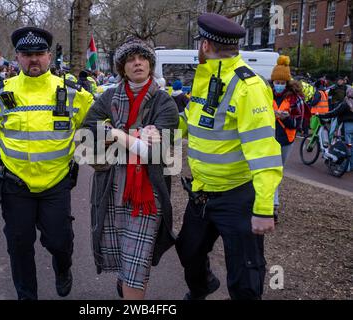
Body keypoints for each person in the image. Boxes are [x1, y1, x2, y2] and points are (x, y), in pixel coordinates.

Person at [0, 27, 93, 300]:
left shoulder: (72, 92)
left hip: (56, 183)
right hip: (15, 185)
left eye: (39, 53)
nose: (33, 59)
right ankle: (27, 296)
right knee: (19, 245)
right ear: (17, 57)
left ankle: (63, 268)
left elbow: (100, 122)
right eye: (27, 54)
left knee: (60, 242)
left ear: (49, 56)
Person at [175, 13, 283, 300]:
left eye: (200, 43)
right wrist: (164, 128)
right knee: (188, 251)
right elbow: (191, 120)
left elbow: (265, 152)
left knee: (245, 274)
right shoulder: (206, 75)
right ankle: (202, 287)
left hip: (237, 197)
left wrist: (263, 209)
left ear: (206, 45)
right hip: (201, 193)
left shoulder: (248, 86)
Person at [82, 37, 179, 299]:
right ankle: (126, 286)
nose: (137, 63)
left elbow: (153, 153)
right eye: (130, 59)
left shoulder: (165, 103)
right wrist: (131, 136)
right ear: (122, 68)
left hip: (148, 195)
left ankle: (130, 289)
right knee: (123, 255)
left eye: (143, 58)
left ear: (150, 64)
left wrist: (116, 134)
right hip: (111, 188)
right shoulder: (109, 97)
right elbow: (85, 130)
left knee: (137, 262)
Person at [271, 56, 304, 222]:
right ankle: (273, 205)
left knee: (276, 171)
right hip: (268, 139)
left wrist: (286, 118)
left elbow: (298, 122)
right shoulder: (266, 94)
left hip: (285, 139)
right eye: (276, 82)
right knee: (270, 170)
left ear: (287, 83)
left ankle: (273, 205)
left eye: (282, 82)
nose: (279, 85)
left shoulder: (295, 99)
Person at [319, 87, 353, 172]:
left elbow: (334, 112)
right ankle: (351, 166)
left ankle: (345, 167)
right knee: (351, 147)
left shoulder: (345, 104)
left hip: (346, 127)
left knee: (344, 147)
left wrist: (322, 115)